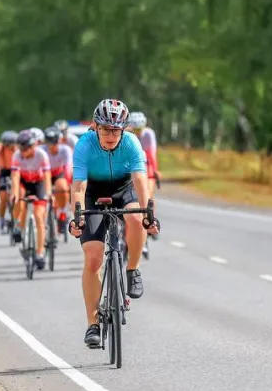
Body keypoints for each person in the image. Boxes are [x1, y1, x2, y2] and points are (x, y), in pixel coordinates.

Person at [69, 99, 160, 349]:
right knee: (94, 259)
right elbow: (79, 185)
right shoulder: (84, 145)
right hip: (92, 194)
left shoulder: (131, 142)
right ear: (96, 127)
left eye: (116, 130)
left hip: (123, 189)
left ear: (123, 130)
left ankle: (133, 268)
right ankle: (93, 324)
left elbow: (141, 180)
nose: (111, 135)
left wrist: (148, 214)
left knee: (134, 218)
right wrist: (77, 217)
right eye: (106, 130)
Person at [10, 129, 52, 269]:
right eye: (20, 148)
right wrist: (14, 193)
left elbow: (47, 176)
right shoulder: (17, 156)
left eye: (25, 148)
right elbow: (15, 177)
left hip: (38, 183)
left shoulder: (41, 155)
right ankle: (17, 225)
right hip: (23, 181)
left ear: (33, 146)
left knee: (39, 217)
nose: (23, 152)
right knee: (18, 197)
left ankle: (40, 252)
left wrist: (48, 193)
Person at [43, 126, 73, 233]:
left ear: (58, 141)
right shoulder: (42, 151)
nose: (51, 146)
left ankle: (62, 212)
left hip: (59, 174)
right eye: (49, 142)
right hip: (45, 175)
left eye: (54, 142)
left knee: (62, 187)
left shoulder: (65, 150)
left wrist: (69, 184)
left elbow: (68, 168)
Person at [0, 130, 18, 234]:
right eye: (6, 145)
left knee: (16, 195)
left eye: (10, 145)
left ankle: (16, 219)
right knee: (3, 197)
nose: (8, 147)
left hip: (15, 170)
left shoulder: (18, 149)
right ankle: (1, 219)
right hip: (3, 170)